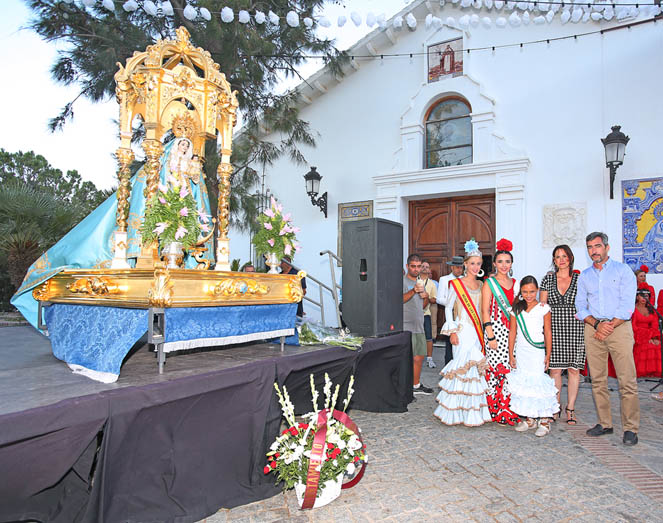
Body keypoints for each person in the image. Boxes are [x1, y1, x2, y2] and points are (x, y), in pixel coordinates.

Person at [575, 232, 639, 446]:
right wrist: (597, 325)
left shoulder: (623, 271)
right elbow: (580, 306)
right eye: (590, 247)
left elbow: (627, 304)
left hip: (619, 328)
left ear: (607, 248)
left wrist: (609, 325)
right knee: (598, 381)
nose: (594, 250)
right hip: (594, 330)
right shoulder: (585, 276)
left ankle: (630, 428)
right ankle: (605, 423)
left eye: (598, 246)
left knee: (626, 381)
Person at [434, 239, 491, 426]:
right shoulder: (456, 284)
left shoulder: (483, 286)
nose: (475, 267)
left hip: (477, 331)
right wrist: (452, 331)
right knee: (460, 368)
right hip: (462, 329)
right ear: (465, 264)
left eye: (478, 264)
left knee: (474, 370)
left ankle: (473, 411)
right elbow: (448, 309)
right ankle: (455, 411)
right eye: (472, 263)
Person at [508, 276, 559, 437]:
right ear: (521, 292)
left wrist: (548, 354)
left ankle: (544, 420)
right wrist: (511, 354)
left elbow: (548, 332)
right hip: (522, 352)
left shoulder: (543, 308)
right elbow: (513, 332)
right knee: (525, 383)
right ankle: (530, 418)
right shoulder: (516, 309)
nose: (529, 295)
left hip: (537, 351)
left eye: (532, 291)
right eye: (525, 292)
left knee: (538, 382)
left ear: (537, 291)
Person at [540, 245, 585, 425]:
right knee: (555, 370)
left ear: (570, 258)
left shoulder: (580, 279)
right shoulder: (547, 280)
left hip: (576, 328)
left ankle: (570, 408)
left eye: (564, 256)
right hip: (554, 328)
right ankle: (555, 406)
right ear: (554, 260)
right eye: (557, 257)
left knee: (574, 370)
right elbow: (543, 306)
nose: (561, 260)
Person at [481, 238, 520, 426]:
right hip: (495, 330)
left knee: (512, 368)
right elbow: (485, 310)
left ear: (511, 264)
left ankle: (511, 407)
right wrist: (490, 335)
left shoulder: (516, 283)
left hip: (514, 331)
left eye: (507, 262)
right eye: (500, 262)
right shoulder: (489, 283)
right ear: (495, 264)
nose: (504, 265)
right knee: (497, 370)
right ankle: (496, 408)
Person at [403, 254, 433, 394]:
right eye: (413, 266)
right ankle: (404, 387)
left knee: (419, 357)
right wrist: (413, 290)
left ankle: (415, 385)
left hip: (419, 325)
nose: (416, 269)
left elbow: (423, 306)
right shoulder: (402, 282)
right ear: (407, 266)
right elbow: (398, 300)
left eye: (418, 266)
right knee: (406, 359)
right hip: (405, 326)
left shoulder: (421, 283)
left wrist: (425, 297)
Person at [438, 256, 465, 364]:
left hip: (463, 315)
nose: (459, 270)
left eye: (461, 267)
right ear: (452, 268)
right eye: (457, 267)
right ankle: (448, 370)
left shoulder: (466, 279)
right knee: (450, 345)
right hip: (451, 314)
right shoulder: (444, 280)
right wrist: (453, 303)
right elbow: (439, 299)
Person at [631, 285, 662, 377]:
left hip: (650, 333)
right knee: (646, 345)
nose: (644, 298)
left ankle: (653, 372)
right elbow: (633, 326)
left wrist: (653, 337)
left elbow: (655, 325)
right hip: (637, 334)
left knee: (657, 344)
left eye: (646, 296)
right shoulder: (633, 309)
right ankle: (643, 371)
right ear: (637, 297)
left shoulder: (651, 309)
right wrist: (647, 336)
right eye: (642, 295)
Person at [420, 261, 438, 369]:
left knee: (428, 337)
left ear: (429, 270)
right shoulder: (414, 280)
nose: (425, 268)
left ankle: (430, 359)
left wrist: (426, 297)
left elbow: (434, 299)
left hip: (425, 313)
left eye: (427, 267)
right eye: (423, 266)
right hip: (413, 314)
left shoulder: (431, 284)